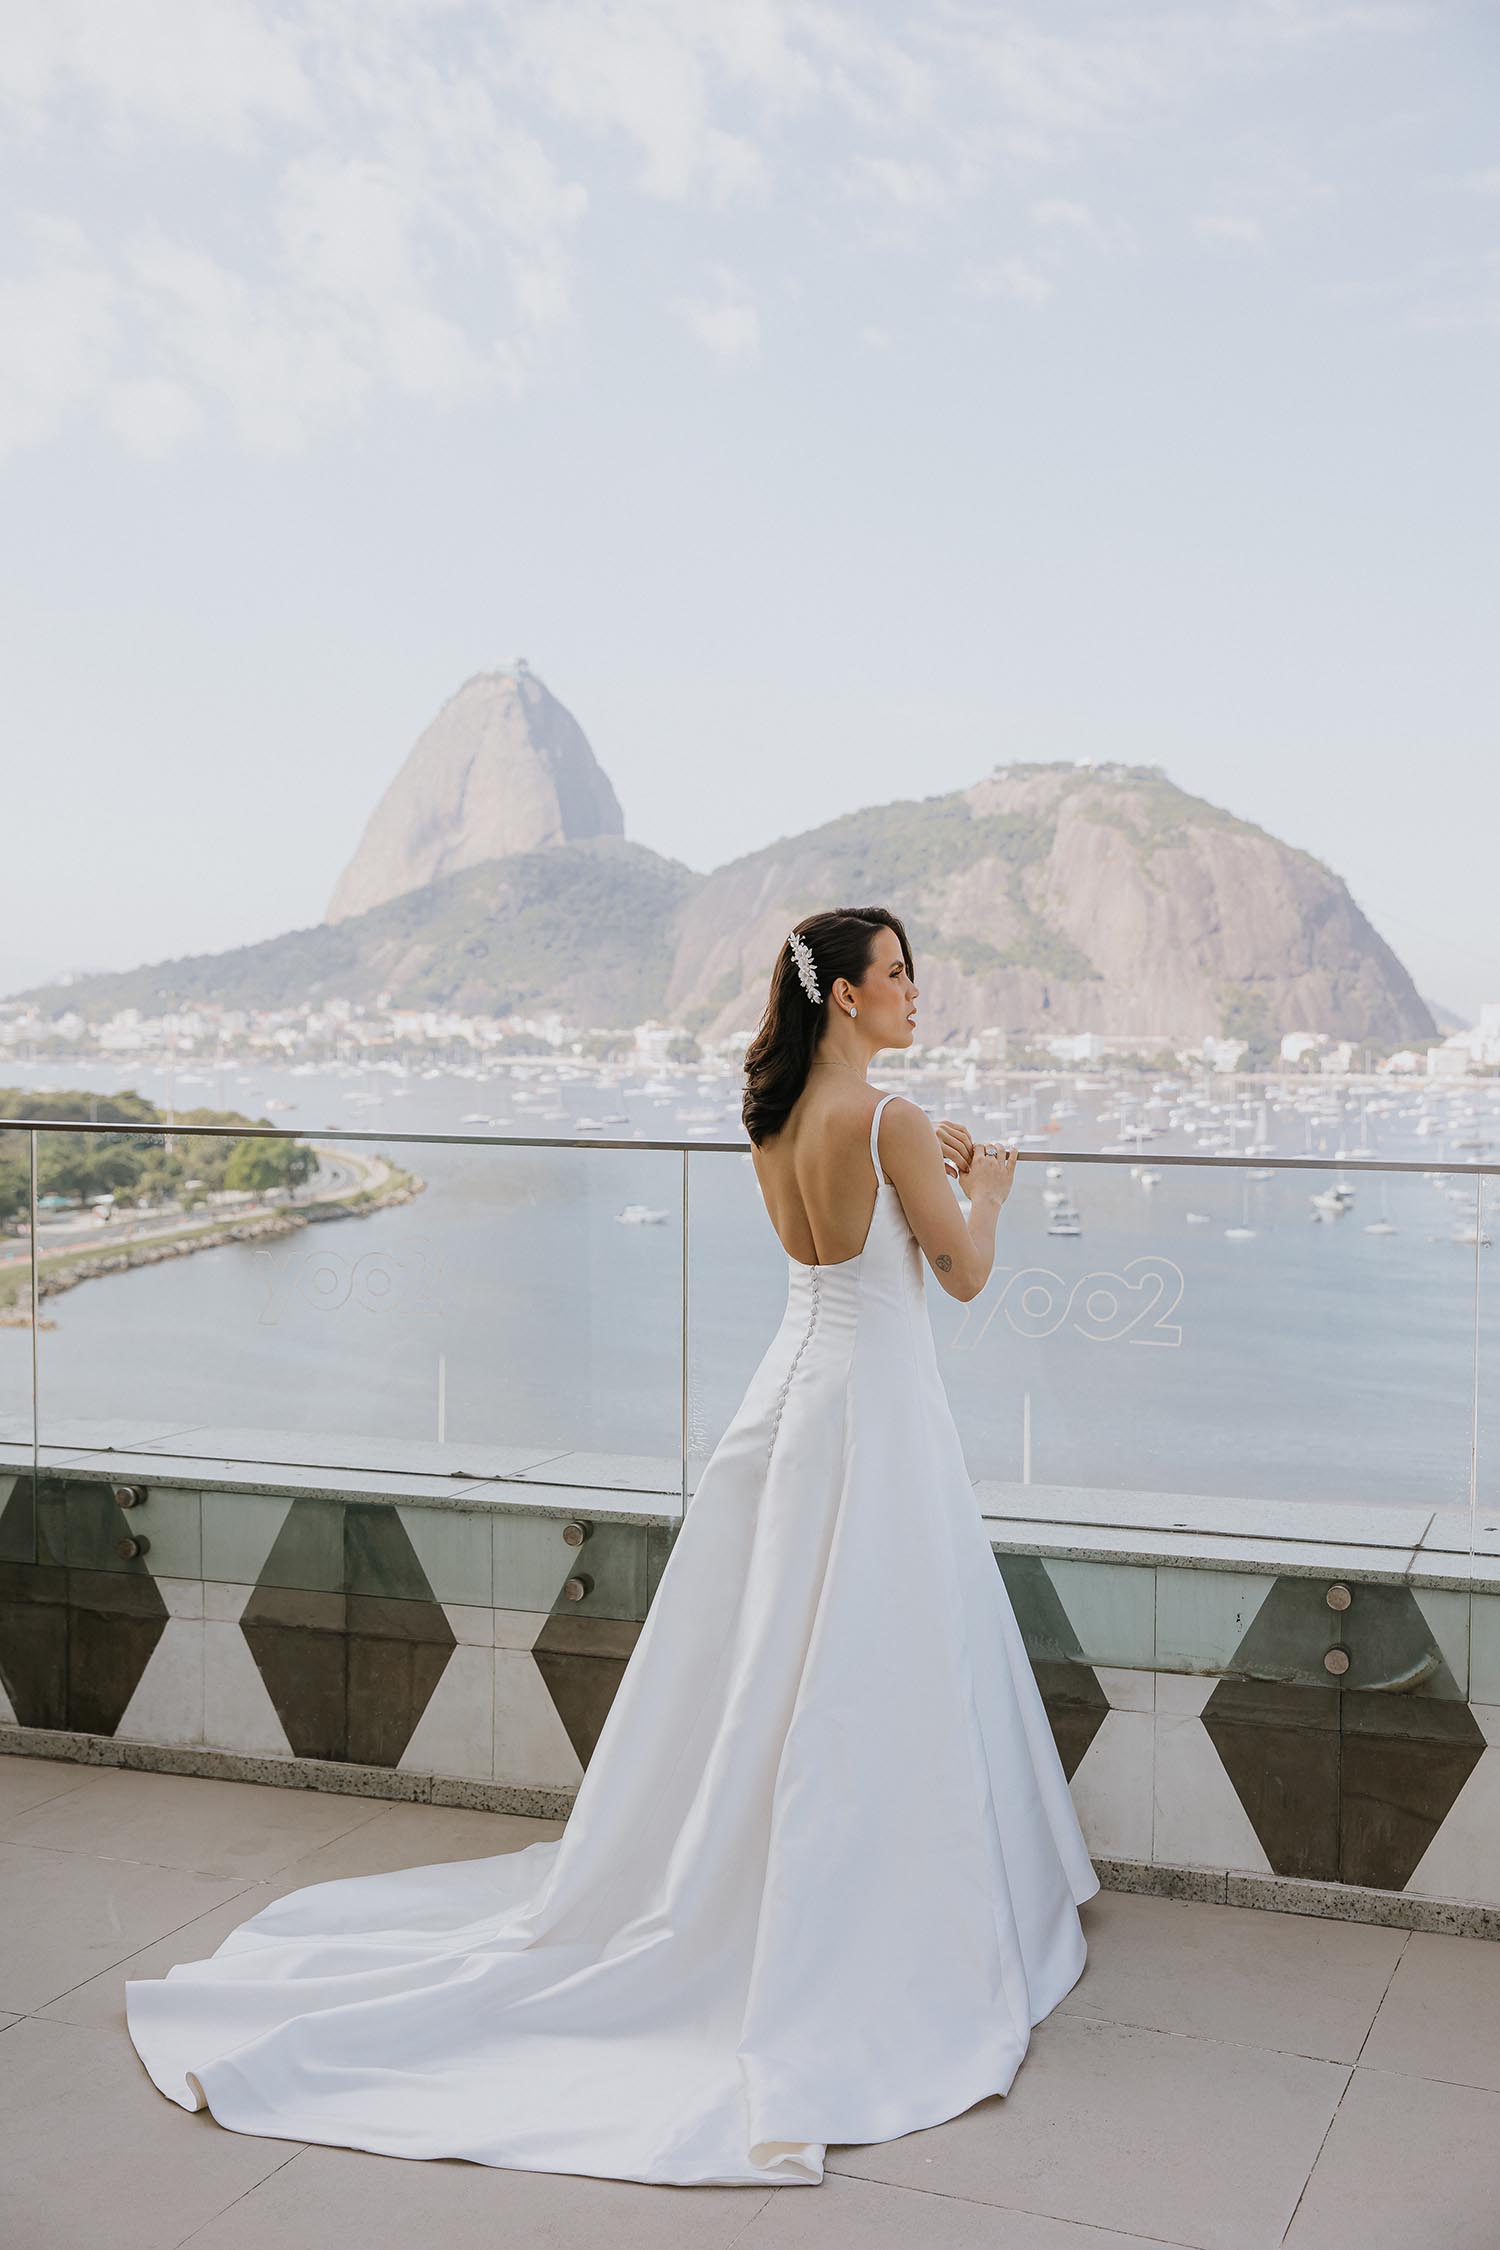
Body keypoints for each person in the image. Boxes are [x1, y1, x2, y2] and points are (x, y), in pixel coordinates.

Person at [124, 904, 1098, 2187]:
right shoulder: (895, 1122)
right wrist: (991, 1190)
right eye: (901, 974)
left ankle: (736, 1872)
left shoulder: (773, 1121)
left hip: (788, 1403)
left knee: (771, 1663)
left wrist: (940, 1174)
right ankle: (862, 1910)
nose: (921, 991)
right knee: (866, 1661)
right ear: (848, 999)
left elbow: (838, 1255)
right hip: (874, 1411)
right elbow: (962, 1275)